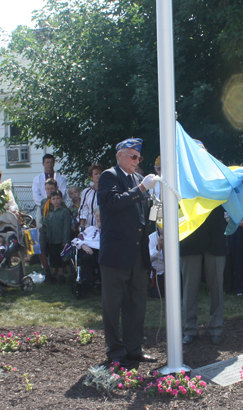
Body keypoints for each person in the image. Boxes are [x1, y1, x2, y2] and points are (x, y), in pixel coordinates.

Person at [97, 137, 158, 366]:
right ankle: (115, 351)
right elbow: (113, 202)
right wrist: (141, 188)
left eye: (139, 157)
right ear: (120, 156)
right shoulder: (109, 176)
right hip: (115, 254)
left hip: (137, 253)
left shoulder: (139, 179)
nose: (136, 161)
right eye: (133, 156)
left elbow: (144, 215)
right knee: (112, 306)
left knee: (136, 304)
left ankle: (134, 348)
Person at [181, 205, 228, 345]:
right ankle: (190, 330)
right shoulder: (182, 181)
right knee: (189, 288)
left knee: (217, 288)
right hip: (190, 237)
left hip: (216, 237)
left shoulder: (220, 181)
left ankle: (216, 329)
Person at [43, 189, 72, 285]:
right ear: (50, 200)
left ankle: (67, 277)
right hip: (52, 240)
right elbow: (48, 227)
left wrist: (65, 240)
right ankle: (57, 276)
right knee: (55, 259)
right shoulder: (49, 213)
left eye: (58, 198)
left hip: (61, 240)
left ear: (62, 199)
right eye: (53, 199)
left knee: (64, 260)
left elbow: (66, 227)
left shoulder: (65, 212)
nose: (56, 201)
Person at [32, 154, 67, 228]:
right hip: (42, 207)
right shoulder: (37, 179)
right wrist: (46, 203)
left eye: (51, 162)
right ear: (43, 164)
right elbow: (36, 195)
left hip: (58, 206)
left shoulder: (61, 178)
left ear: (54, 163)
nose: (49, 164)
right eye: (47, 162)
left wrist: (54, 202)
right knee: (40, 226)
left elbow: (62, 193)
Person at [72, 207, 101, 285]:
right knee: (87, 257)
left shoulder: (110, 230)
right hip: (88, 249)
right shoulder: (90, 229)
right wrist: (83, 245)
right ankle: (87, 281)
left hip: (103, 251)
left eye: (101, 216)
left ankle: (101, 280)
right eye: (97, 216)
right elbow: (76, 240)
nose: (98, 218)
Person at [40, 178, 58, 281]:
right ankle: (47, 271)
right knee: (41, 248)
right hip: (44, 227)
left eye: (52, 188)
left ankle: (55, 273)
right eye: (48, 189)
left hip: (55, 229)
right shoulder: (43, 201)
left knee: (54, 250)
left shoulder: (57, 201)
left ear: (56, 188)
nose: (50, 191)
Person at [79, 164, 105, 230]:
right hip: (90, 226)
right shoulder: (86, 192)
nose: (98, 176)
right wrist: (81, 225)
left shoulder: (108, 191)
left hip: (105, 226)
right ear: (91, 177)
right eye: (96, 174)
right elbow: (83, 209)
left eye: (100, 173)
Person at [148, 225, 165, 298]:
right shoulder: (151, 238)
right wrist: (158, 247)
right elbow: (149, 258)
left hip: (174, 271)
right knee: (156, 294)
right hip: (159, 272)